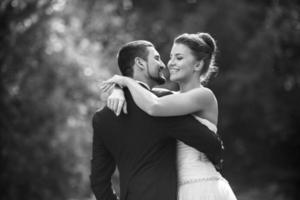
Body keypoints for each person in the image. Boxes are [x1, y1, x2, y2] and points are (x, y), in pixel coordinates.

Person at [101, 33, 237, 200]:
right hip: (174, 190)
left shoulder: (203, 95)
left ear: (197, 65)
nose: (170, 63)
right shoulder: (170, 97)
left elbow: (153, 106)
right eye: (171, 57)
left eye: (179, 58)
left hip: (201, 186)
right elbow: (145, 94)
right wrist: (118, 89)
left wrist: (126, 81)